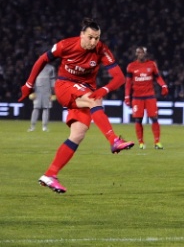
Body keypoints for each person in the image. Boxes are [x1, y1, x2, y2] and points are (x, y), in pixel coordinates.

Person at [18, 18, 135, 194]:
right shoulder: (66, 45)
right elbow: (42, 60)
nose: (94, 42)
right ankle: (114, 140)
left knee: (78, 134)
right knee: (94, 100)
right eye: (90, 37)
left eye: (97, 38)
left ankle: (50, 175)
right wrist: (28, 85)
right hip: (65, 85)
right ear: (82, 35)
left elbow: (119, 78)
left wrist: (104, 89)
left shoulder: (101, 49)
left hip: (84, 91)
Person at [124, 46, 169, 150]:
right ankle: (141, 142)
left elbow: (158, 77)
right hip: (137, 97)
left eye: (142, 52)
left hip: (150, 96)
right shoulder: (131, 66)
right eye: (138, 52)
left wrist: (164, 85)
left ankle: (157, 142)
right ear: (136, 54)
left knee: (154, 118)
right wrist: (127, 96)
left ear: (145, 53)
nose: (140, 54)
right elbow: (128, 83)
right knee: (138, 120)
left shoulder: (151, 64)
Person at [27, 64, 56, 132]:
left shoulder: (51, 68)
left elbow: (52, 80)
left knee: (46, 108)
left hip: (47, 91)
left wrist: (53, 92)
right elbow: (32, 79)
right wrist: (31, 91)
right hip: (37, 91)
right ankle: (32, 126)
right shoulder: (36, 66)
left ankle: (44, 127)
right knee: (36, 108)